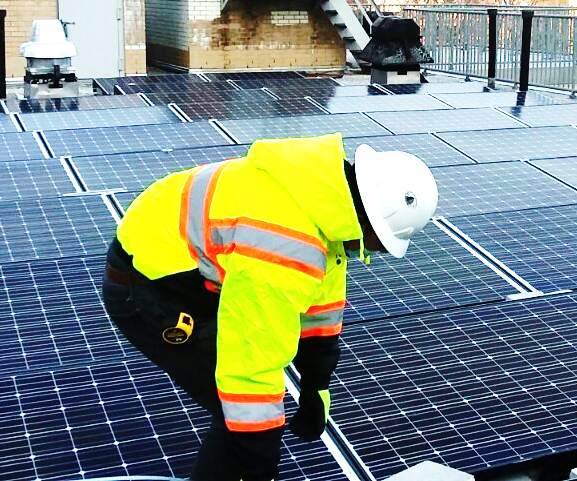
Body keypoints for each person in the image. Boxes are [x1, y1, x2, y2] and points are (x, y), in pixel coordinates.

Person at [103, 133, 438, 481]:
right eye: (380, 242)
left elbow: (322, 308)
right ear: (367, 219)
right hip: (150, 284)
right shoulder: (285, 244)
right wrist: (260, 463)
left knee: (244, 414)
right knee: (235, 412)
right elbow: (250, 363)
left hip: (195, 267)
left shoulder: (325, 201)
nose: (376, 252)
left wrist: (315, 384)